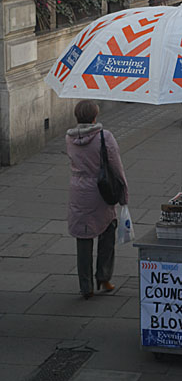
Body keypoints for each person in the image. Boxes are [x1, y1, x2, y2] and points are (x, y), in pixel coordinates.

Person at [66, 99, 129, 299]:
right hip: (101, 190)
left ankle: (86, 286)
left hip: (78, 189)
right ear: (95, 116)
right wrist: (124, 194)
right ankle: (104, 276)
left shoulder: (69, 138)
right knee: (107, 230)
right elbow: (116, 167)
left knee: (83, 237)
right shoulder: (104, 136)